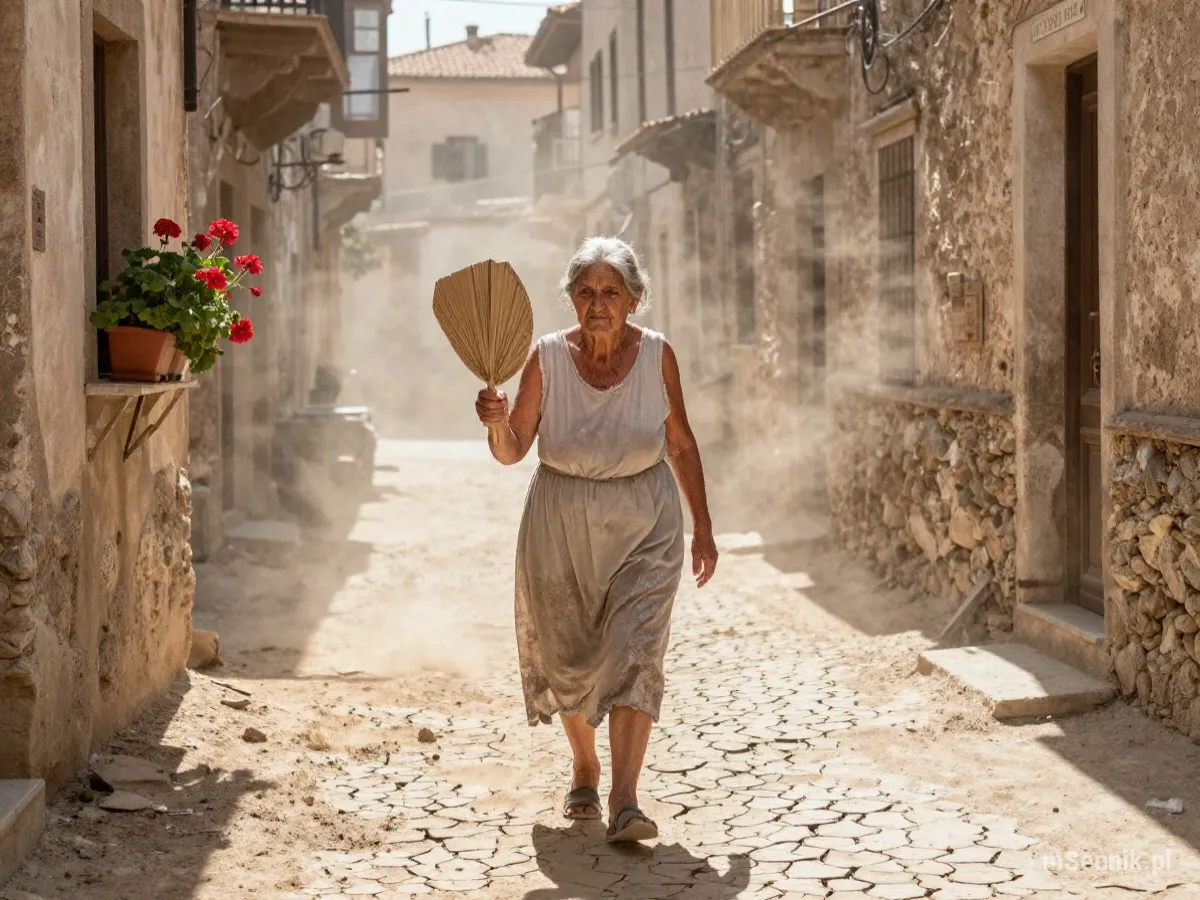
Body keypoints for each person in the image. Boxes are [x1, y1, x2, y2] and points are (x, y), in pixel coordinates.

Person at [474, 236, 718, 843]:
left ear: (634, 299)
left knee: (636, 649)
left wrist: (704, 529)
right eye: (586, 292)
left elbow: (681, 443)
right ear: (572, 299)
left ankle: (625, 800)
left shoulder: (657, 355)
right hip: (560, 525)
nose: (598, 303)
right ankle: (584, 765)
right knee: (572, 655)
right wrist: (497, 424)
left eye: (612, 291)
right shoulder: (547, 358)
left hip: (646, 523)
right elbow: (512, 451)